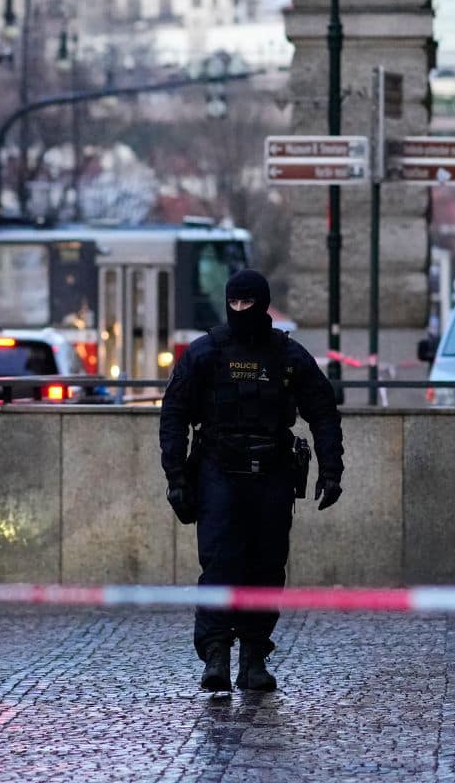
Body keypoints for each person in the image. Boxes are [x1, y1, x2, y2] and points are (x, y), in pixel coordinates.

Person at [158, 269, 343, 694]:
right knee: (220, 565)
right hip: (218, 471)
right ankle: (216, 655)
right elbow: (174, 415)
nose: (241, 310)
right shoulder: (205, 353)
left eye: (248, 303)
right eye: (235, 303)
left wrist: (332, 470)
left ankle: (254, 658)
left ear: (263, 303)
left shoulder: (288, 356)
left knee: (266, 567)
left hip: (272, 473)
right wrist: (176, 477)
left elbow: (323, 411)